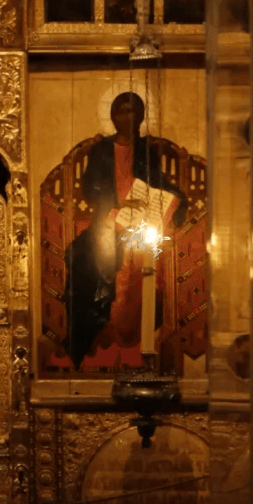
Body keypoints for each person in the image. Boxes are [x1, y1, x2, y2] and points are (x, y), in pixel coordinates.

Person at [63, 92, 187, 368]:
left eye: (132, 111)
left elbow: (158, 182)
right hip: (110, 218)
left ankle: (139, 346)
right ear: (113, 116)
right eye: (121, 111)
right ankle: (100, 340)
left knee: (142, 274)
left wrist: (171, 197)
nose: (126, 117)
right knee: (93, 264)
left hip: (141, 224)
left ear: (141, 116)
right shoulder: (101, 150)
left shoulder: (146, 151)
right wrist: (117, 201)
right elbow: (89, 187)